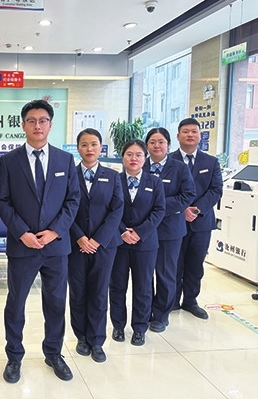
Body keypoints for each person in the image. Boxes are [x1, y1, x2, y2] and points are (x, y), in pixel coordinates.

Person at [0, 99, 79, 383]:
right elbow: (3, 201)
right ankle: (14, 356)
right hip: (22, 246)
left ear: (50, 125)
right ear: (23, 125)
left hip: (56, 247)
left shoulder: (65, 160)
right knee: (16, 303)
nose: (37, 125)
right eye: (31, 121)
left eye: (43, 120)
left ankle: (54, 353)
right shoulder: (9, 161)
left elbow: (73, 199)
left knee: (55, 302)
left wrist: (55, 231)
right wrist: (22, 233)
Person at [68, 128, 123, 363]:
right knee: (78, 292)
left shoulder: (112, 176)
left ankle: (97, 340)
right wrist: (80, 237)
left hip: (104, 246)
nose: (89, 149)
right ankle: (81, 336)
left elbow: (117, 210)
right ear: (78, 148)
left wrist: (98, 239)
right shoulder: (69, 174)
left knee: (99, 293)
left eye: (93, 144)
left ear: (101, 147)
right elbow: (63, 209)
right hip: (75, 245)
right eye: (84, 144)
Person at [109, 140, 165, 347]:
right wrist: (122, 231)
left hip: (146, 244)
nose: (134, 159)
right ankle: (118, 325)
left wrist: (140, 232)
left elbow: (159, 210)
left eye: (139, 155)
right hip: (118, 243)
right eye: (129, 154)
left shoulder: (154, 182)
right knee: (117, 286)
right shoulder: (114, 180)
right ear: (122, 157)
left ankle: (140, 328)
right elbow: (108, 208)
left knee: (143, 287)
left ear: (145, 158)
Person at [169, 118, 223, 319]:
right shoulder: (168, 161)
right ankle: (171, 301)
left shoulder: (211, 162)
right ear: (178, 136)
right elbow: (164, 190)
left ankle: (190, 301)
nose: (190, 135)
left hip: (201, 223)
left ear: (200, 136)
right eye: (185, 131)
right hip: (175, 222)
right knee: (173, 264)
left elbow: (216, 189)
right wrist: (182, 208)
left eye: (194, 131)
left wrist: (197, 209)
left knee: (195, 264)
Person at [144, 128, 196, 333]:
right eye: (152, 142)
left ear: (168, 145)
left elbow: (188, 195)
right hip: (144, 229)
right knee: (144, 275)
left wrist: (158, 206)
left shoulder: (180, 168)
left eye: (161, 142)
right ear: (147, 146)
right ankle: (144, 312)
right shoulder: (139, 165)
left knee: (166, 274)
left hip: (170, 230)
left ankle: (161, 315)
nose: (157, 146)